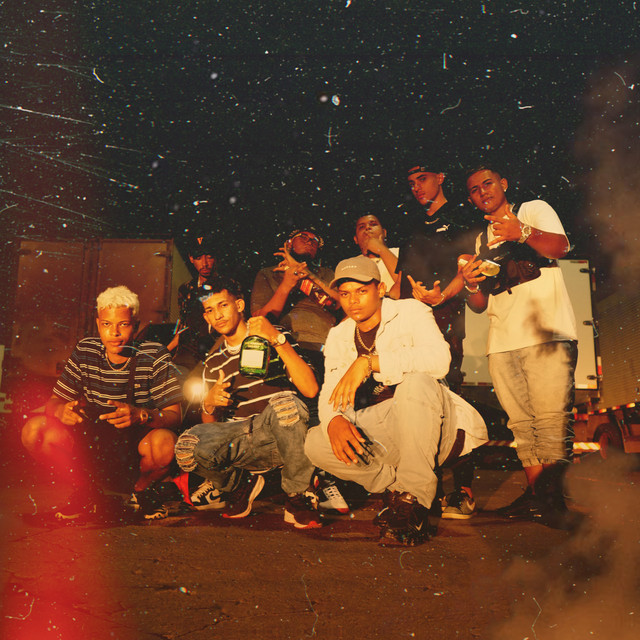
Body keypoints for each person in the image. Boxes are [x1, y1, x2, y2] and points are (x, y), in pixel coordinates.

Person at [304, 256, 487, 546]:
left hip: (435, 423)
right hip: (390, 428)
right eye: (345, 294)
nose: (353, 301)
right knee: (316, 441)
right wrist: (334, 419)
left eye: (361, 291)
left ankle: (415, 499)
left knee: (415, 382)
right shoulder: (339, 335)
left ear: (380, 289)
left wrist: (370, 362)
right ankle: (398, 491)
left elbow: (439, 361)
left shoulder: (411, 311)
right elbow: (332, 391)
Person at [461, 166, 578, 528]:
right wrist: (469, 283)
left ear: (504, 185)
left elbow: (560, 248)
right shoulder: (481, 240)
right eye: (475, 190)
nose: (483, 191)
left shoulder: (532, 209)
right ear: (471, 199)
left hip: (547, 332)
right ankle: (536, 497)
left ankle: (553, 501)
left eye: (488, 184)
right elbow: (479, 304)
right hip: (502, 339)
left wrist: (521, 232)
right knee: (522, 425)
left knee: (552, 420)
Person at [21, 286, 183, 521]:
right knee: (35, 430)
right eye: (107, 324)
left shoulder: (154, 354)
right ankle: (87, 494)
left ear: (136, 325)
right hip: (93, 443)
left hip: (135, 446)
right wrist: (61, 411)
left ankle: (138, 494)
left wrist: (141, 415)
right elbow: (53, 403)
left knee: (165, 443)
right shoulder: (86, 350)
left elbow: (174, 415)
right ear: (98, 324)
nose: (114, 333)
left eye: (123, 324)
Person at [174, 276, 322, 529]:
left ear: (240, 305)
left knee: (286, 402)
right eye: (210, 310)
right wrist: (209, 404)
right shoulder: (212, 363)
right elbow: (211, 429)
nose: (217, 315)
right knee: (186, 446)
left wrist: (277, 339)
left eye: (223, 305)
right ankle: (239, 486)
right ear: (206, 317)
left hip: (284, 436)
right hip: (244, 443)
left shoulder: (274, 338)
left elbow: (310, 389)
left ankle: (298, 495)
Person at [395, 161, 482, 520]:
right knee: (415, 399)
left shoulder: (462, 217)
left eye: (423, 179)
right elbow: (401, 279)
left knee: (451, 397)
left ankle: (462, 491)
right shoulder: (411, 225)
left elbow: (469, 267)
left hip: (447, 318)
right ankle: (425, 490)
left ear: (441, 178)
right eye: (411, 182)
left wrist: (442, 296)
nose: (416, 187)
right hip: (412, 321)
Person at [169, 235, 218, 374]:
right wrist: (166, 350)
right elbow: (184, 326)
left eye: (209, 257)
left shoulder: (228, 287)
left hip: (217, 348)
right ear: (191, 259)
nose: (205, 263)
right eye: (198, 258)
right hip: (190, 354)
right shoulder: (186, 289)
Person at [353, 214, 399, 292]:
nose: (367, 228)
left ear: (384, 232)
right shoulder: (352, 264)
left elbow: (408, 284)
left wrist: (381, 249)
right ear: (356, 239)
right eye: (362, 227)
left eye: (373, 224)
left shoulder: (402, 253)